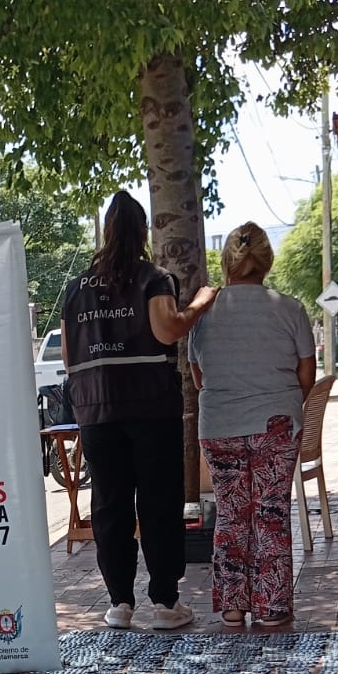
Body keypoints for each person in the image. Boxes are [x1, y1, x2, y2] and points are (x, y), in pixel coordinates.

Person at [62, 192, 216, 630]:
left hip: (95, 408)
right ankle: (165, 603)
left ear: (106, 232)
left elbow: (71, 358)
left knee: (109, 504)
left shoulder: (75, 289)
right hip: (151, 406)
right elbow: (168, 331)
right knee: (159, 502)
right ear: (142, 232)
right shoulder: (154, 278)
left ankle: (119, 603)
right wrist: (201, 302)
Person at [188, 221, 316, 628]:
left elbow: (198, 377)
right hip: (276, 423)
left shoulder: (203, 314)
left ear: (227, 262)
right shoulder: (290, 308)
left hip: (219, 424)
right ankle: (272, 607)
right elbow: (307, 374)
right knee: (271, 512)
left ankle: (232, 606)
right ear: (267, 262)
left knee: (230, 513)